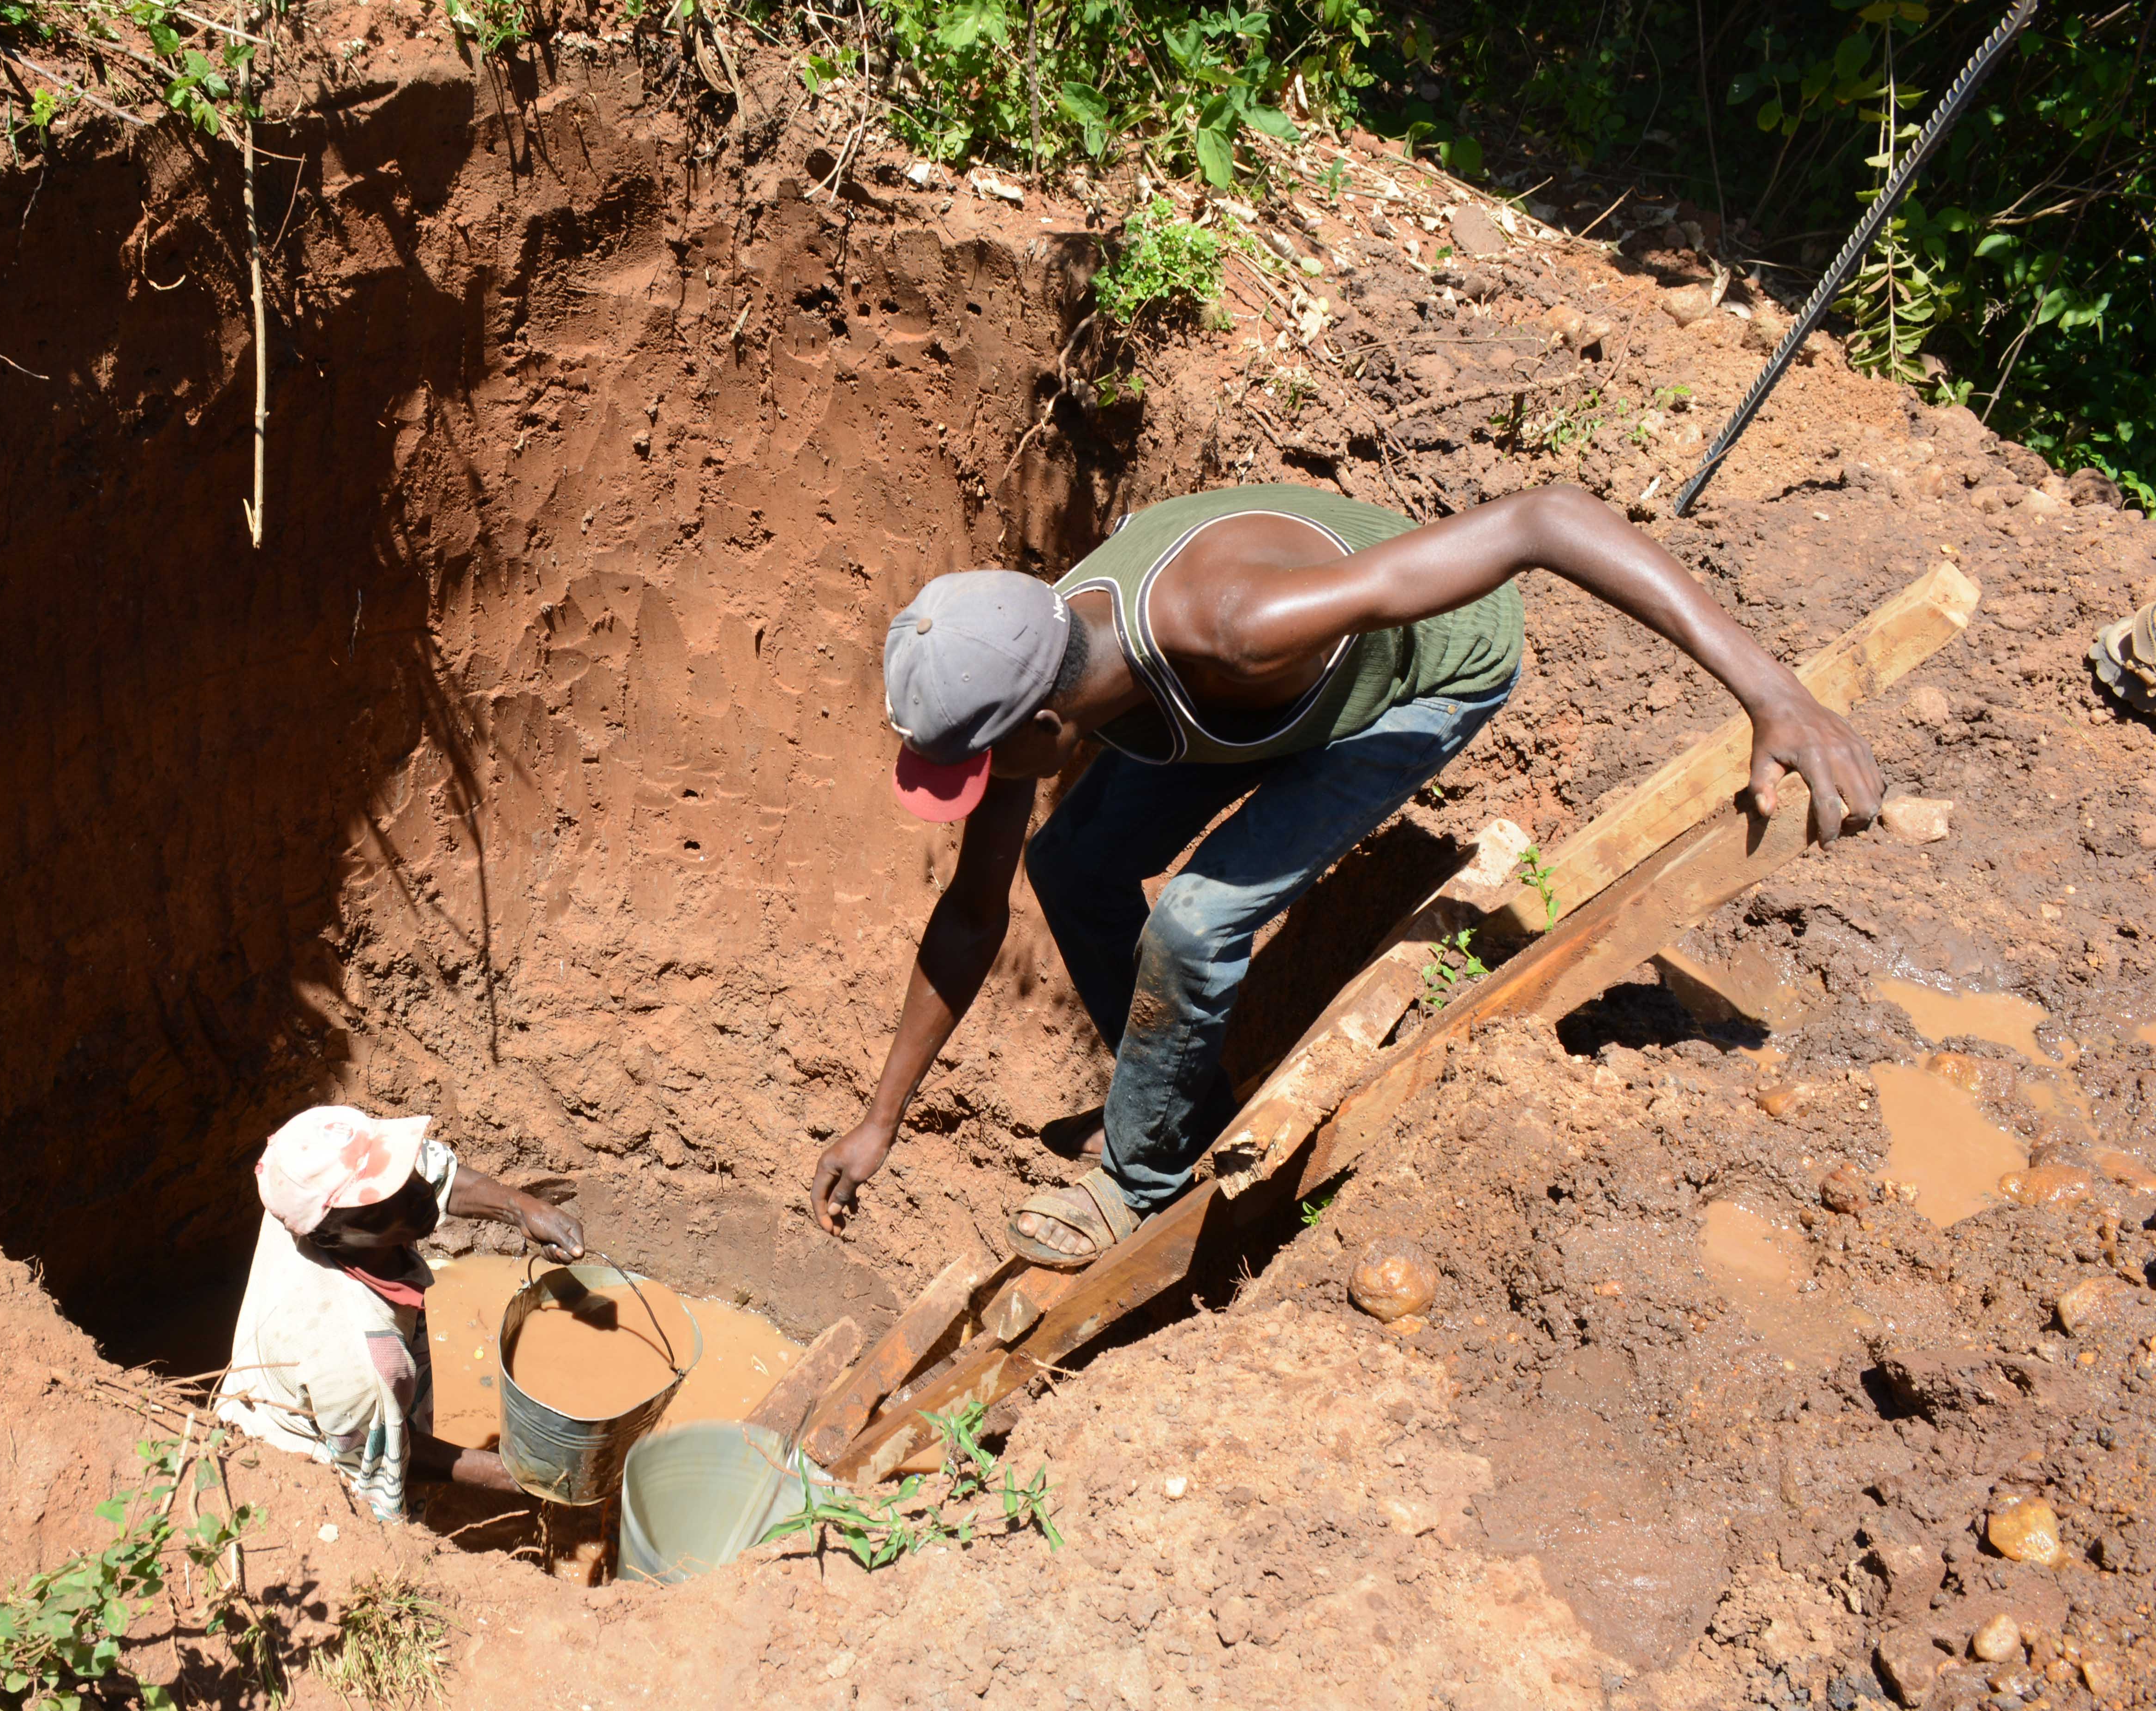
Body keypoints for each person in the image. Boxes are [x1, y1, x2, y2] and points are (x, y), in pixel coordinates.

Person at [809, 481, 1885, 1268]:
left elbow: (1544, 519)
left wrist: (1773, 692)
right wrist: (879, 1121)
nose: (982, 786)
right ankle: (1175, 1116)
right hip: (1253, 708)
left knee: (1190, 922)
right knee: (1070, 861)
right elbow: (970, 913)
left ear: (1043, 728)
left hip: (1422, 672)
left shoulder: (1236, 624)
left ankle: (1135, 1181)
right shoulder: (1028, 658)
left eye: (983, 769)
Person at [217, 1104, 585, 1520]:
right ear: (333, 1236)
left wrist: (523, 1210)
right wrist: (517, 1477)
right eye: (383, 1200)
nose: (421, 1192)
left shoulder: (305, 1186)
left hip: (313, 1391)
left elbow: (431, 1174)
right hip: (302, 1464)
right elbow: (390, 1458)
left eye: (403, 1174)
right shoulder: (357, 1358)